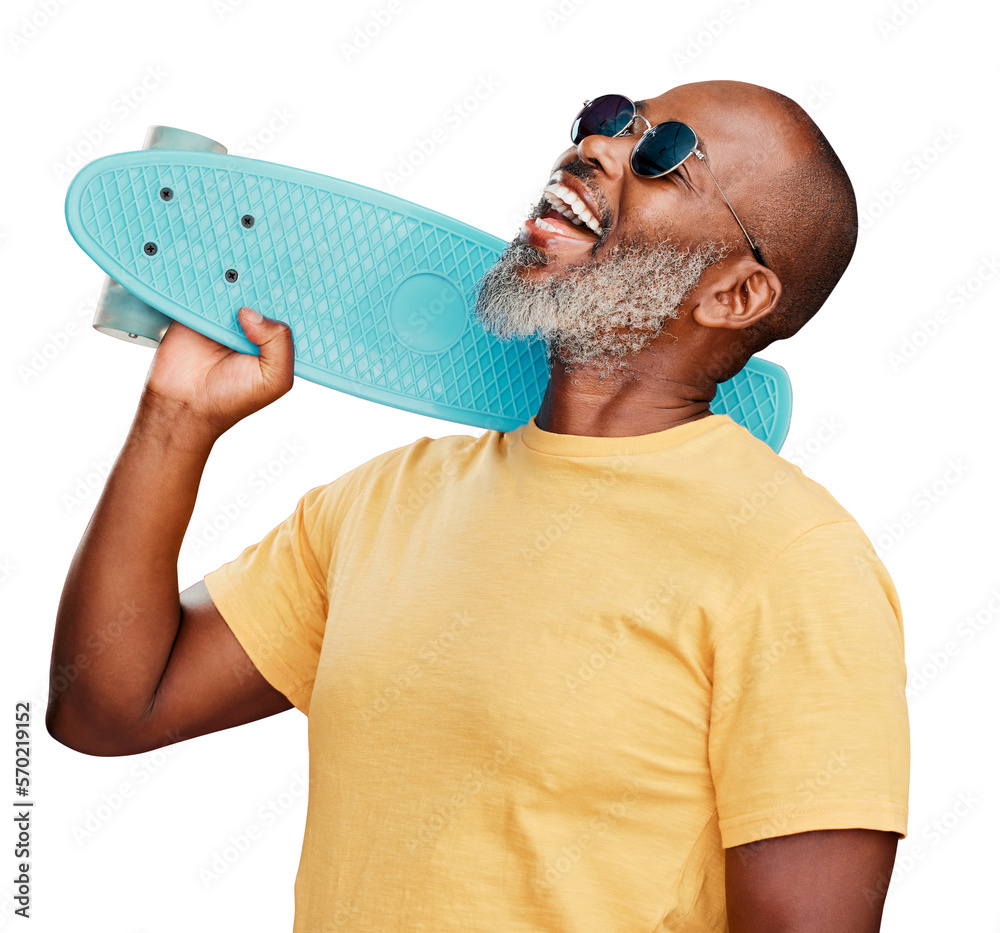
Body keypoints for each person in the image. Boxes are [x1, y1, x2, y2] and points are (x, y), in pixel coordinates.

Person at [47, 80, 909, 932]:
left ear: (734, 295)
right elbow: (107, 706)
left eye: (663, 157)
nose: (596, 148)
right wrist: (177, 418)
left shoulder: (795, 561)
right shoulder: (386, 500)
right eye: (609, 118)